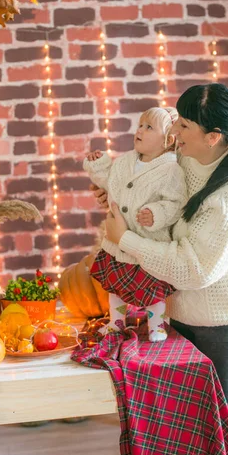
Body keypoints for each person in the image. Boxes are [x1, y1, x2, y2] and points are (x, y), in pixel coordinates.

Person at [95, 83, 228, 455]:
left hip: (227, 323)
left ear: (213, 136)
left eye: (185, 123)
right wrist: (120, 195)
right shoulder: (188, 157)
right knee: (202, 429)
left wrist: (127, 240)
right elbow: (156, 189)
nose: (175, 129)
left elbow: (196, 268)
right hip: (183, 312)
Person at [83, 106, 187, 342]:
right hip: (116, 246)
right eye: (140, 124)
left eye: (149, 127)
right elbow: (110, 182)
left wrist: (156, 214)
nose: (140, 130)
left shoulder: (171, 170)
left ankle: (157, 325)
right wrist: (98, 165)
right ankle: (116, 322)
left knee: (153, 292)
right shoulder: (125, 162)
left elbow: (175, 203)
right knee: (115, 289)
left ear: (168, 140)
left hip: (145, 242)